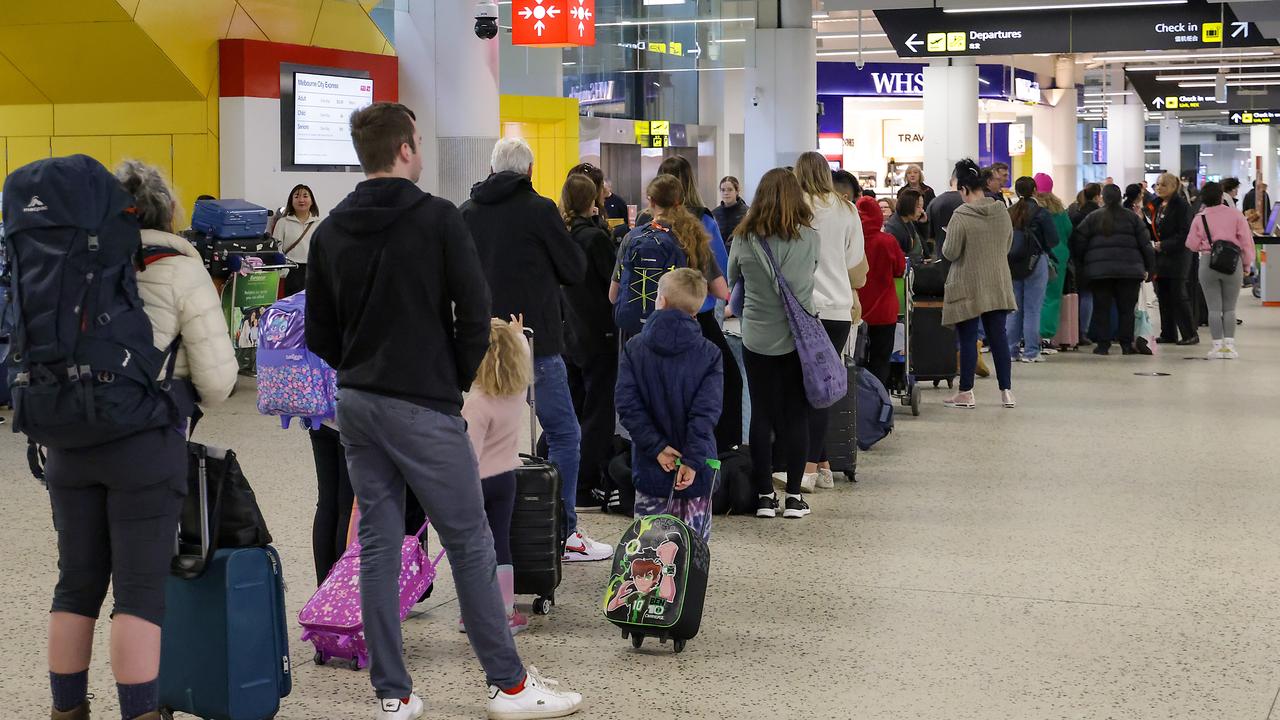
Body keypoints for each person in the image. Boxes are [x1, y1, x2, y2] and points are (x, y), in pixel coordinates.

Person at [305, 103, 583, 719]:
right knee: (469, 539)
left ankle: (393, 694)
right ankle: (508, 686)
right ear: (406, 148)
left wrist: (360, 363)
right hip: (423, 404)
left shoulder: (329, 231)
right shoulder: (436, 219)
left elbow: (317, 330)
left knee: (378, 542)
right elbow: (473, 308)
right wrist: (451, 379)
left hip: (356, 403)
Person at [44, 160, 238, 720]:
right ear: (167, 212)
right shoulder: (179, 267)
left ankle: (67, 711)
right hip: (144, 446)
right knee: (138, 593)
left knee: (75, 584)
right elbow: (220, 381)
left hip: (68, 440)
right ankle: (140, 714)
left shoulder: (70, 261)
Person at [462, 137, 612, 563]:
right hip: (535, 342)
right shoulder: (540, 208)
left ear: (492, 168)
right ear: (529, 172)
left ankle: (495, 535)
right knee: (564, 432)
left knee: (488, 438)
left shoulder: (467, 212)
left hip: (483, 344)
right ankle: (562, 532)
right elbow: (573, 267)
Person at [726, 167, 820, 520]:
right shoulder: (809, 237)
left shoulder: (743, 237)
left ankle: (765, 496)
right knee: (796, 414)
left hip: (756, 336)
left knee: (762, 414)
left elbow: (733, 277)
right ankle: (794, 497)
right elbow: (810, 272)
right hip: (799, 339)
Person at [636, 156, 740, 453]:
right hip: (698, 318)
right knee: (728, 379)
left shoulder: (642, 225)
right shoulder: (700, 223)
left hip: (650, 319)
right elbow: (720, 276)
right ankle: (722, 450)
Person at [614, 268, 723, 541]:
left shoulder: (634, 347)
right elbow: (706, 414)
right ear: (696, 310)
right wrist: (693, 460)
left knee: (648, 553)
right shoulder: (710, 354)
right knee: (691, 553)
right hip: (696, 472)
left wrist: (657, 447)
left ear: (660, 300)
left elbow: (627, 404)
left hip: (651, 466)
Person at [795, 151, 865, 492]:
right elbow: (854, 259)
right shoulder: (847, 209)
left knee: (805, 391)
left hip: (804, 308)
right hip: (838, 308)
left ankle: (808, 467)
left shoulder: (794, 208)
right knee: (822, 389)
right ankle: (822, 463)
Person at [461, 316, 534, 635]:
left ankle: (471, 614)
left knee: (473, 548)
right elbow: (522, 350)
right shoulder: (517, 388)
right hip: (506, 478)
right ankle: (505, 612)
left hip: (476, 484)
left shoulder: (477, 402)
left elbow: (469, 454)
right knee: (500, 542)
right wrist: (516, 334)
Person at [560, 173, 619, 511]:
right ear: (592, 200)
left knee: (577, 410)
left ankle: (572, 483)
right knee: (599, 412)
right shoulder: (596, 240)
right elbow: (613, 284)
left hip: (569, 335)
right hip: (599, 335)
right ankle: (586, 484)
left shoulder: (560, 236)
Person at [941, 159, 1016, 410]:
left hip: (967, 284)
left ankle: (966, 392)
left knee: (968, 338)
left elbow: (950, 252)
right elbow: (1006, 246)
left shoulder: (960, 216)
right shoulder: (1001, 211)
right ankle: (1006, 391)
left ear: (963, 189)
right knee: (999, 339)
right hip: (997, 281)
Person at [1070, 184, 1155, 356]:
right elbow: (1145, 244)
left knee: (1102, 308)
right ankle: (1126, 345)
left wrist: (1083, 263)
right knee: (1126, 310)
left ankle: (1103, 345)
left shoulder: (1093, 218)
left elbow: (1078, 241)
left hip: (1100, 272)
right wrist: (1150, 268)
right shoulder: (1132, 218)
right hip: (1129, 272)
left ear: (1103, 197)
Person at [1186, 181, 1256, 359]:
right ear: (1221, 196)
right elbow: (1247, 242)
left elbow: (1191, 245)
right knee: (1230, 308)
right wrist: (1247, 265)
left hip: (1208, 262)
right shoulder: (1236, 215)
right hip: (1233, 262)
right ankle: (1230, 346)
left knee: (1214, 309)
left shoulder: (1199, 218)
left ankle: (1216, 346)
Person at [1006, 176, 1060, 363]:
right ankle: (1030, 352)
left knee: (1014, 309)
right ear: (1035, 190)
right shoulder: (1041, 213)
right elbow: (1053, 239)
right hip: (1036, 262)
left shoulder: (1009, 212)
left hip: (1012, 264)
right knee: (1032, 309)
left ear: (1016, 191)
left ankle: (1011, 351)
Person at [856, 195, 907, 391]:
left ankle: (858, 400)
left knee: (854, 358)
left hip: (857, 310)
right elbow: (899, 270)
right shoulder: (888, 241)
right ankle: (879, 401)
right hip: (884, 311)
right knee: (881, 358)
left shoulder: (850, 242)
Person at [1149, 172, 1198, 346]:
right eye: (1157, 184)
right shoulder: (1156, 205)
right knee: (1163, 295)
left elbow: (1185, 233)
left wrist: (1164, 245)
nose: (1159, 187)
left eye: (1163, 184)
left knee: (1178, 296)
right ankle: (1168, 333)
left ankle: (1189, 333)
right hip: (1160, 257)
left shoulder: (1182, 206)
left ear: (1173, 187)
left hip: (1178, 257)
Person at [1034, 174, 1072, 346]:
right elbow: (1068, 231)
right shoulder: (1060, 210)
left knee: (1031, 298)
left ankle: (1029, 337)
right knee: (1052, 298)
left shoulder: (1031, 209)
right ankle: (1047, 337)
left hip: (1035, 257)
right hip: (1058, 257)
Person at [274, 184, 320, 296]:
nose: (301, 200)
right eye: (297, 196)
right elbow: (276, 248)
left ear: (312, 200)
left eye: (305, 196)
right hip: (291, 272)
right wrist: (283, 272)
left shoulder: (319, 223)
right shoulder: (283, 223)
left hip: (313, 272)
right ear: (291, 201)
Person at [927, 172, 964, 259]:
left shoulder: (934, 202)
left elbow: (929, 235)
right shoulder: (969, 203)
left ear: (951, 181)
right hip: (964, 259)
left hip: (941, 256)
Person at [885, 188, 925, 261]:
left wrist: (924, 224)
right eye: (918, 207)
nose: (921, 211)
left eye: (921, 207)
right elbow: (897, 257)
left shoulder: (908, 222)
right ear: (908, 205)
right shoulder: (894, 228)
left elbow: (922, 242)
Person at [713, 175, 749, 250]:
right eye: (723, 190)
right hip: (719, 256)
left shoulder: (748, 213)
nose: (726, 193)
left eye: (730, 190)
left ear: (737, 191)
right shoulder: (714, 214)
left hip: (740, 256)